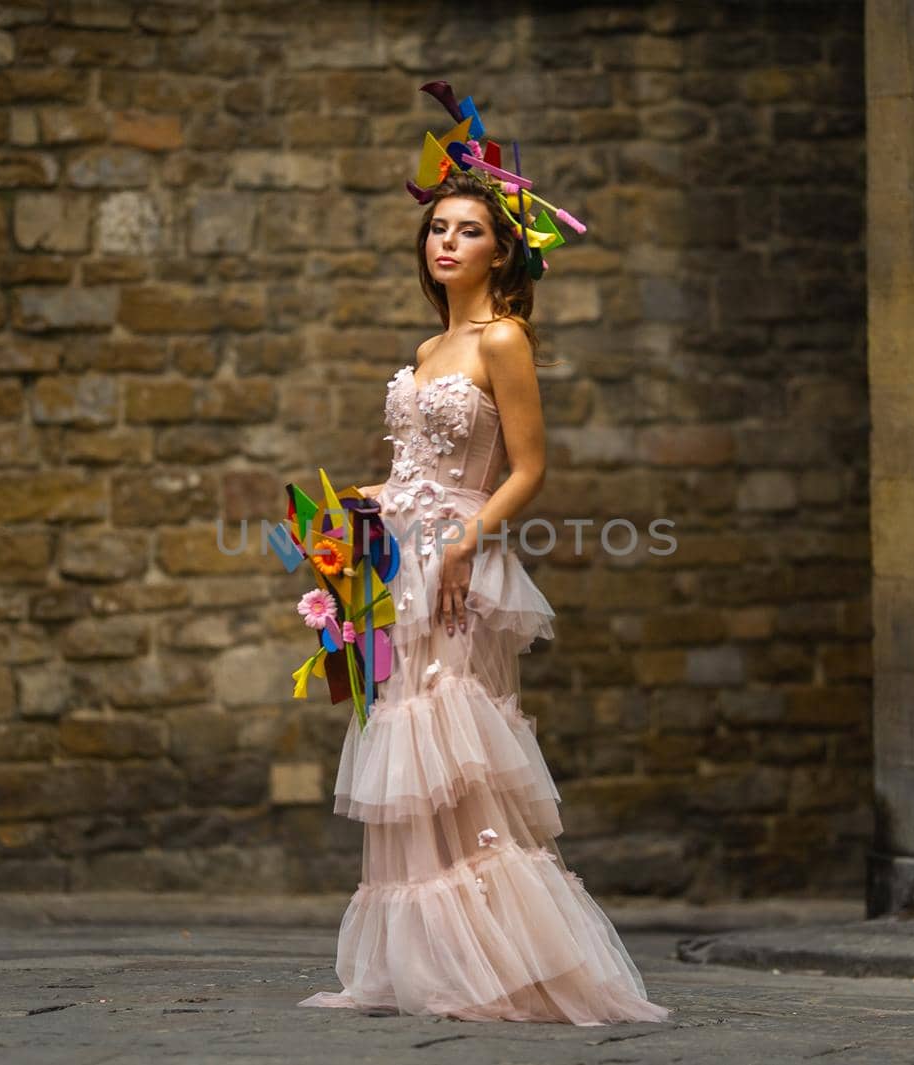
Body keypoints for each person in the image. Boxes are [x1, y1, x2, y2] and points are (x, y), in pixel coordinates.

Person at [297, 84, 671, 1027]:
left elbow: (530, 467)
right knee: (402, 741)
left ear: (502, 249)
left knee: (458, 743)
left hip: (461, 559)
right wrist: (360, 508)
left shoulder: (504, 340)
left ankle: (503, 963)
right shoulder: (426, 347)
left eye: (467, 230)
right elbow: (410, 464)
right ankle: (428, 964)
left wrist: (466, 538)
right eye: (437, 230)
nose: (446, 242)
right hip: (396, 563)